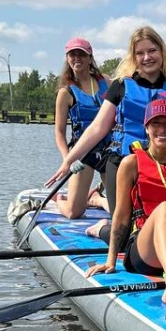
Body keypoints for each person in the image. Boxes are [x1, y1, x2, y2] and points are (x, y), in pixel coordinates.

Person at [47, 0, 166, 236]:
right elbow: (98, 128)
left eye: (152, 50)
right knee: (127, 232)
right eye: (140, 53)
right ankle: (99, 229)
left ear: (161, 52)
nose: (147, 57)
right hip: (125, 164)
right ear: (134, 57)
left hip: (163, 163)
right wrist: (68, 160)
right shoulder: (121, 85)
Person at [85, 97, 166, 307]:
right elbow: (122, 214)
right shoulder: (131, 163)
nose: (162, 129)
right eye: (156, 123)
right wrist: (110, 260)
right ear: (146, 127)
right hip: (146, 250)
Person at [52, 37, 109, 218]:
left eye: (81, 54)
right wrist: (68, 160)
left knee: (122, 206)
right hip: (81, 154)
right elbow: (59, 133)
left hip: (108, 150)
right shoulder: (65, 93)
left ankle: (96, 197)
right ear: (67, 58)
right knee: (73, 212)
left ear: (89, 57)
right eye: (72, 54)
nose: (77, 58)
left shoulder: (105, 82)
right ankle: (60, 198)